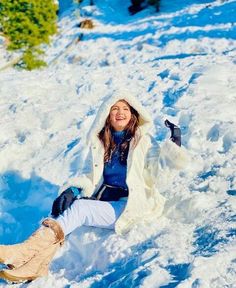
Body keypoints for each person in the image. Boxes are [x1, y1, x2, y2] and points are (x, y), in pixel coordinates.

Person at [0, 90, 188, 283]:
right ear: (107, 114)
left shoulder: (145, 142)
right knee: (60, 212)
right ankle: (34, 266)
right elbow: (90, 175)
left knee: (80, 209)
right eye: (115, 108)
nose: (120, 112)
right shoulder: (101, 143)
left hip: (132, 205)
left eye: (125, 108)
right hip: (107, 200)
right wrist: (72, 190)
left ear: (133, 114)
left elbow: (161, 178)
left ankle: (22, 251)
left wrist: (173, 150)